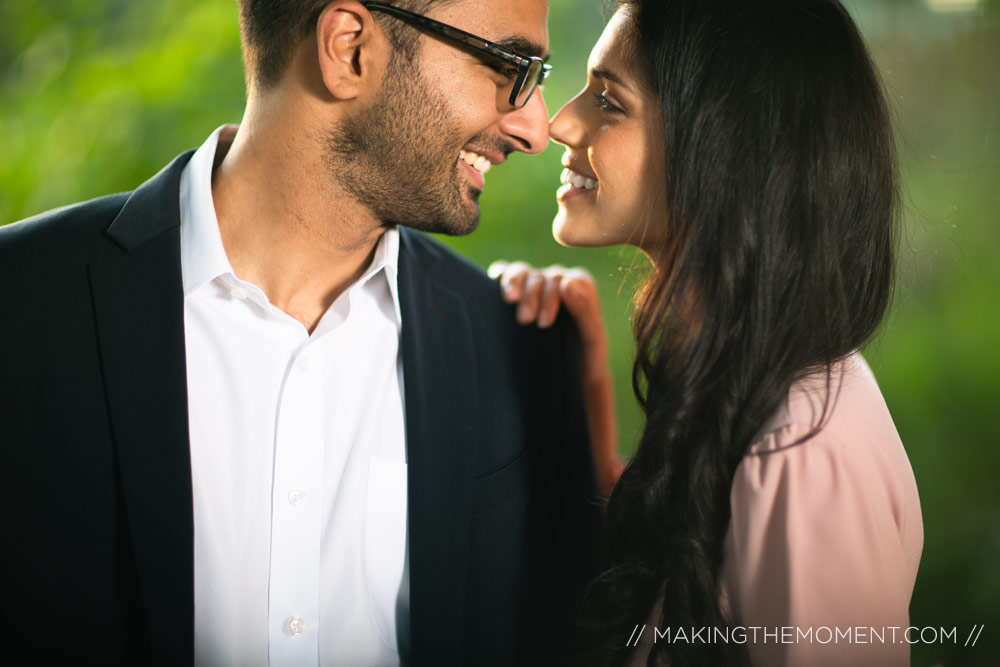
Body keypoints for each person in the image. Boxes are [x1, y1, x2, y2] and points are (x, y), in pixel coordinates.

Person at [0, 1, 603, 665]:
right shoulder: (20, 303)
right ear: (348, 48)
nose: (536, 129)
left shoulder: (523, 350)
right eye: (512, 68)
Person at [493, 0, 923, 665]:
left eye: (609, 101)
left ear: (725, 143)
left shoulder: (798, 450)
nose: (559, 123)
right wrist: (589, 385)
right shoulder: (745, 388)